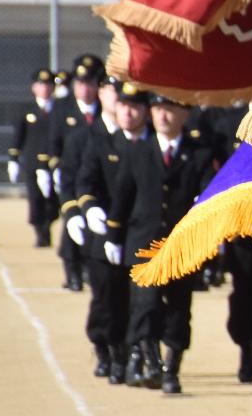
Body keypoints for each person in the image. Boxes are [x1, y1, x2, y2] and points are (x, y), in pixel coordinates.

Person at [119, 93, 217, 393]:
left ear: (185, 115)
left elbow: (207, 196)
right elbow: (124, 196)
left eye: (171, 110)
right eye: (158, 110)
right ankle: (150, 363)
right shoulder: (138, 151)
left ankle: (172, 368)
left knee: (178, 307)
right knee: (145, 305)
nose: (163, 116)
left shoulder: (198, 153)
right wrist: (113, 235)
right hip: (144, 241)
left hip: (182, 245)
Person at [65, 79, 150, 382]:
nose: (123, 105)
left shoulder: (146, 141)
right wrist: (84, 210)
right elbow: (81, 180)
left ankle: (130, 353)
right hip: (102, 233)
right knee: (105, 296)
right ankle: (105, 348)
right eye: (115, 94)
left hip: (135, 232)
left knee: (135, 299)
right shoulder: (95, 140)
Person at [49, 57, 105, 290]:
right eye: (81, 83)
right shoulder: (63, 109)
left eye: (90, 83)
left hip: (97, 176)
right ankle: (72, 272)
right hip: (70, 173)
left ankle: (89, 269)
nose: (85, 88)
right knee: (72, 221)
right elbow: (53, 143)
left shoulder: (105, 110)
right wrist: (51, 169)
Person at [9, 67, 57, 248]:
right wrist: (13, 158)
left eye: (48, 85)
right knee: (35, 200)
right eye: (40, 84)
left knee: (53, 202)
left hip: (53, 164)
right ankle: (41, 233)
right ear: (34, 88)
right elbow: (18, 137)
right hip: (32, 164)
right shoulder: (26, 111)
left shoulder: (59, 111)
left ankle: (48, 226)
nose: (44, 88)